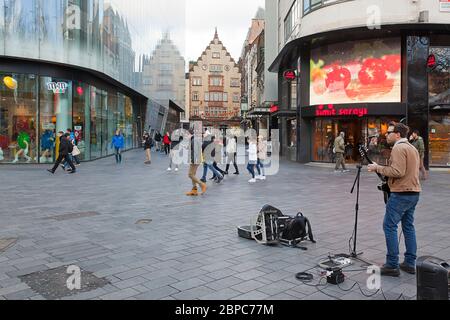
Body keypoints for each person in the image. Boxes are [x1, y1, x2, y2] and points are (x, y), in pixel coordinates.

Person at [368, 122, 421, 277]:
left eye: (389, 132)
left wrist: (377, 168)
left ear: (397, 134)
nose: (387, 134)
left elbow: (397, 171)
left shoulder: (398, 147)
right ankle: (410, 263)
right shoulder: (412, 148)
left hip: (401, 194)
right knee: (408, 227)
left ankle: (392, 265)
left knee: (389, 226)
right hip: (413, 192)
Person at [186, 128, 207, 196]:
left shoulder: (194, 140)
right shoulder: (194, 139)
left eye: (187, 134)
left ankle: (202, 185)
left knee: (190, 174)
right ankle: (194, 190)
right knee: (193, 174)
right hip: (196, 159)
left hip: (195, 159)